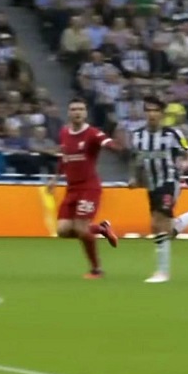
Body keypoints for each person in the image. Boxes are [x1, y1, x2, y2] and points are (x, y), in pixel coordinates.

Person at [128, 96, 188, 284]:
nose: (152, 114)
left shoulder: (173, 134)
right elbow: (137, 161)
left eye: (156, 110)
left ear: (162, 114)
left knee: (159, 222)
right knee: (165, 228)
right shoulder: (137, 136)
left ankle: (162, 273)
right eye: (148, 110)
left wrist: (184, 165)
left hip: (170, 181)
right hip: (152, 184)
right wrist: (135, 179)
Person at [47, 98, 120, 279]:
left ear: (85, 113)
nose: (77, 112)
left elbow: (107, 142)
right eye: (73, 109)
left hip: (89, 188)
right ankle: (102, 229)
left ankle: (96, 269)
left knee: (81, 228)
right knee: (63, 231)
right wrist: (55, 178)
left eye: (80, 109)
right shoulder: (64, 132)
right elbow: (63, 157)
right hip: (72, 189)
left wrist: (114, 145)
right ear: (69, 113)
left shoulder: (92, 133)